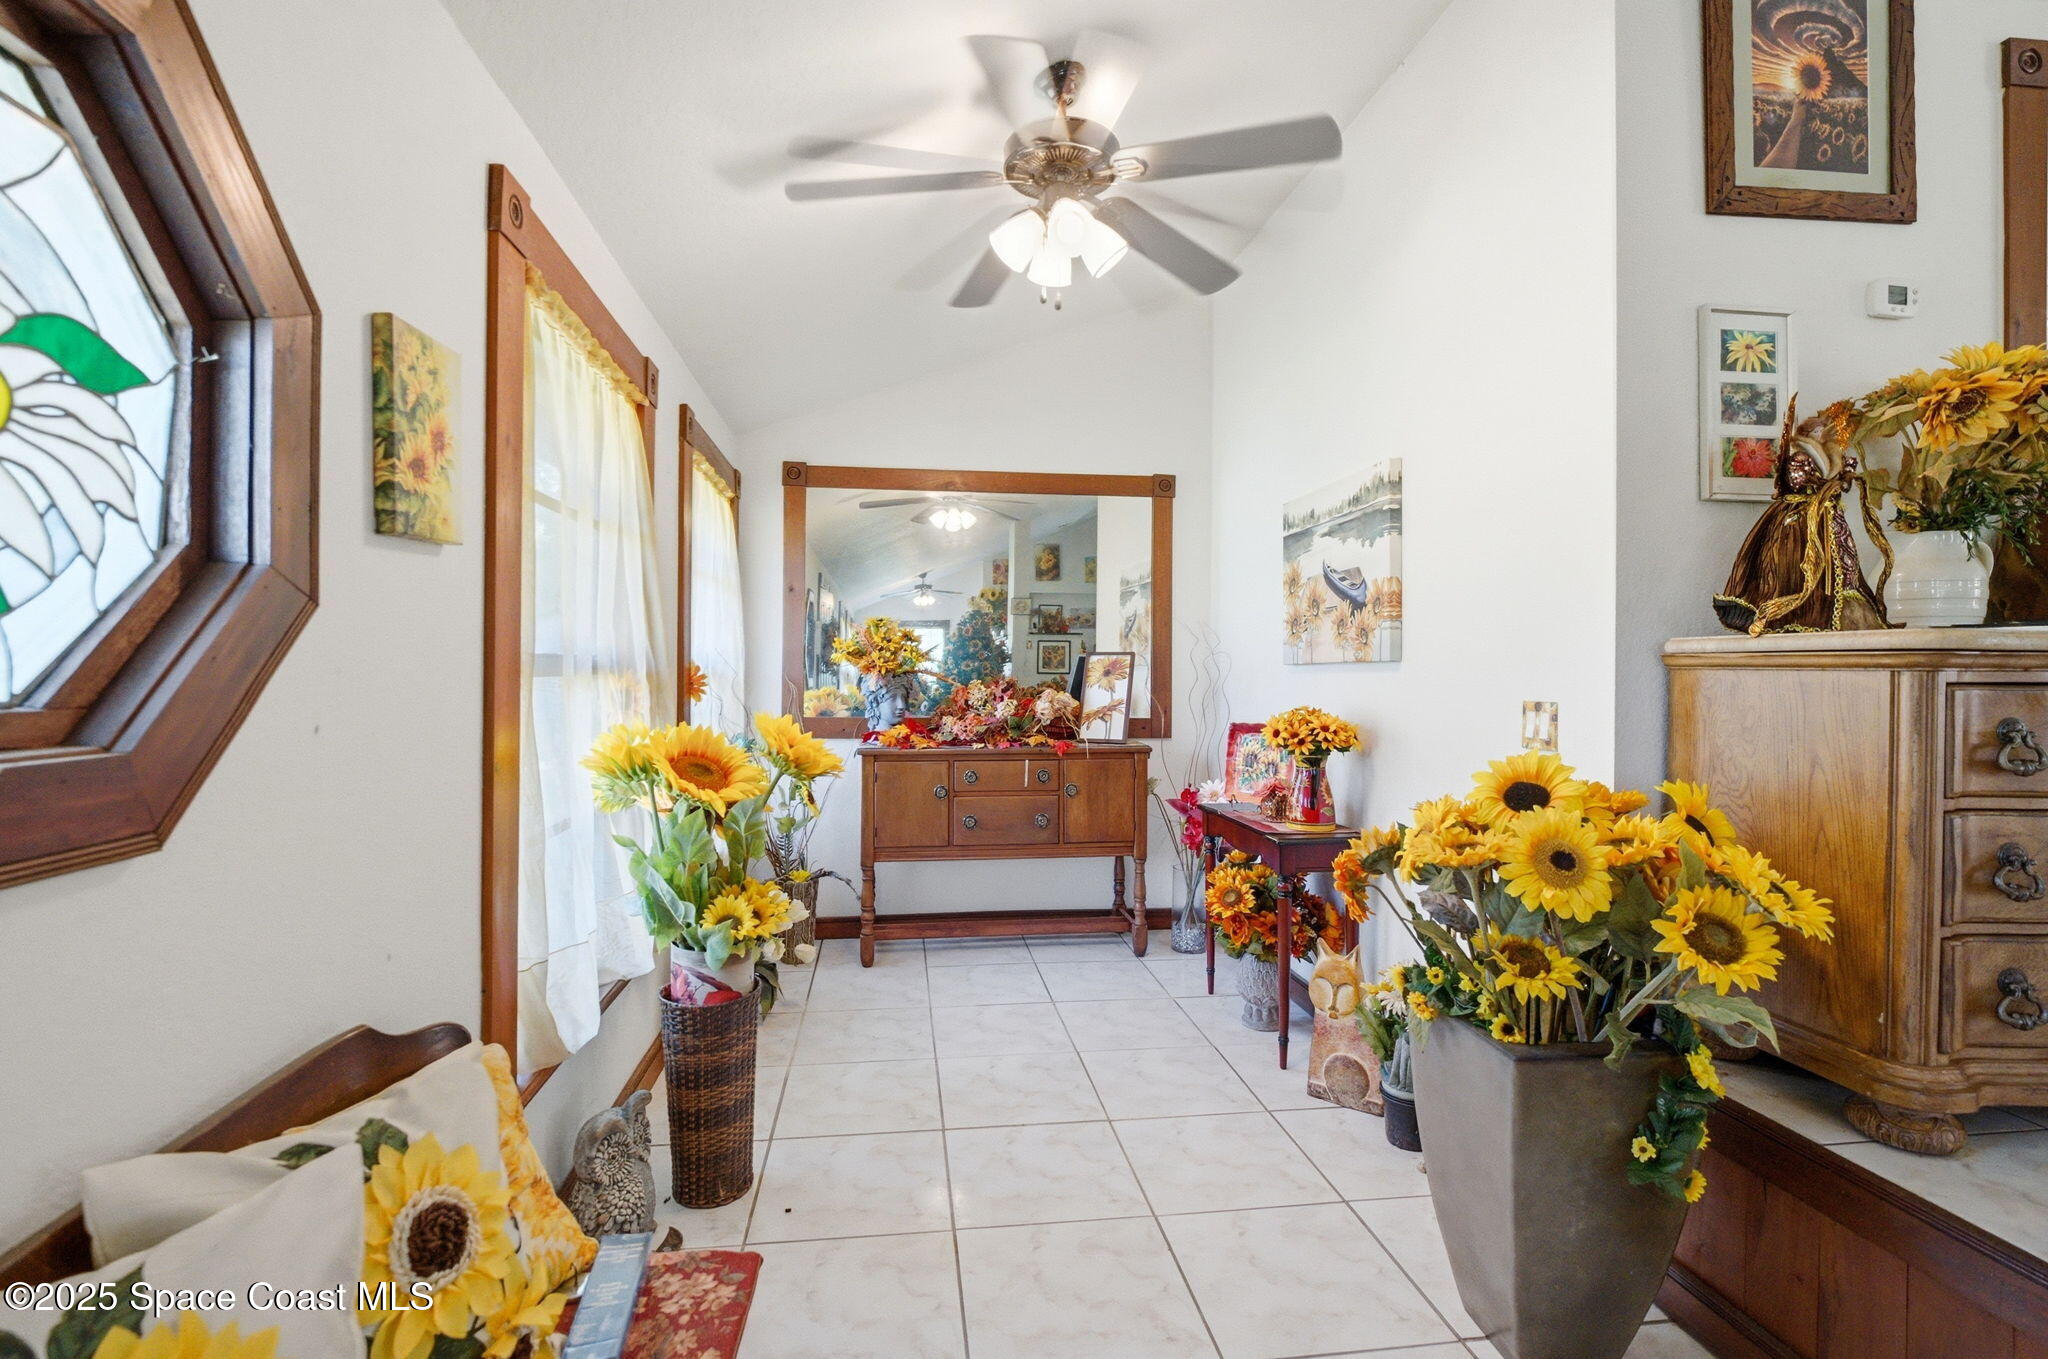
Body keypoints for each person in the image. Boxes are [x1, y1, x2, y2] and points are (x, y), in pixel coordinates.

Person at [1714, 399, 1892, 635]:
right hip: (1800, 518)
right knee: (1793, 562)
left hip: (1826, 516)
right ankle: (1800, 610)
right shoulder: (1799, 456)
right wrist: (1823, 483)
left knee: (1840, 564)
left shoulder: (1831, 454)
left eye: (1822, 431)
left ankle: (1841, 610)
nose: (1820, 434)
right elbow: (1798, 481)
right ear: (1808, 433)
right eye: (1816, 431)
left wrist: (1842, 478)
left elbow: (1843, 482)